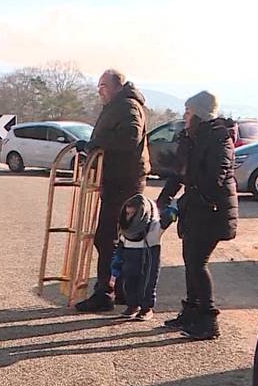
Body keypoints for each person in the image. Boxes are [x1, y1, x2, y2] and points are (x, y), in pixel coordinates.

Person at [157, 91, 238, 340]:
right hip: (195, 209)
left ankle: (208, 321)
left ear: (200, 114)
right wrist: (164, 197)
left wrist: (190, 195)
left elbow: (215, 178)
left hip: (212, 211)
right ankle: (191, 312)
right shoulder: (191, 137)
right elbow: (179, 172)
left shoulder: (220, 139)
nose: (184, 115)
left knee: (197, 263)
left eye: (188, 111)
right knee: (190, 261)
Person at [73, 70, 151, 312]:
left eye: (103, 85)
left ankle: (106, 292)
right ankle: (121, 290)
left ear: (116, 86)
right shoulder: (117, 104)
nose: (100, 90)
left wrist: (95, 144)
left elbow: (130, 137)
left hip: (124, 183)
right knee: (117, 239)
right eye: (98, 86)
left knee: (107, 237)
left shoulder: (127, 105)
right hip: (117, 180)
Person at [113, 193, 177, 321]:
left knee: (147, 283)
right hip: (129, 257)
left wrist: (174, 207)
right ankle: (132, 305)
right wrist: (115, 266)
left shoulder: (153, 227)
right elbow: (119, 248)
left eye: (132, 214)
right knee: (129, 282)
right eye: (127, 214)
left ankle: (146, 308)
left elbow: (169, 217)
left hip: (148, 256)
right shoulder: (125, 229)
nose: (129, 217)